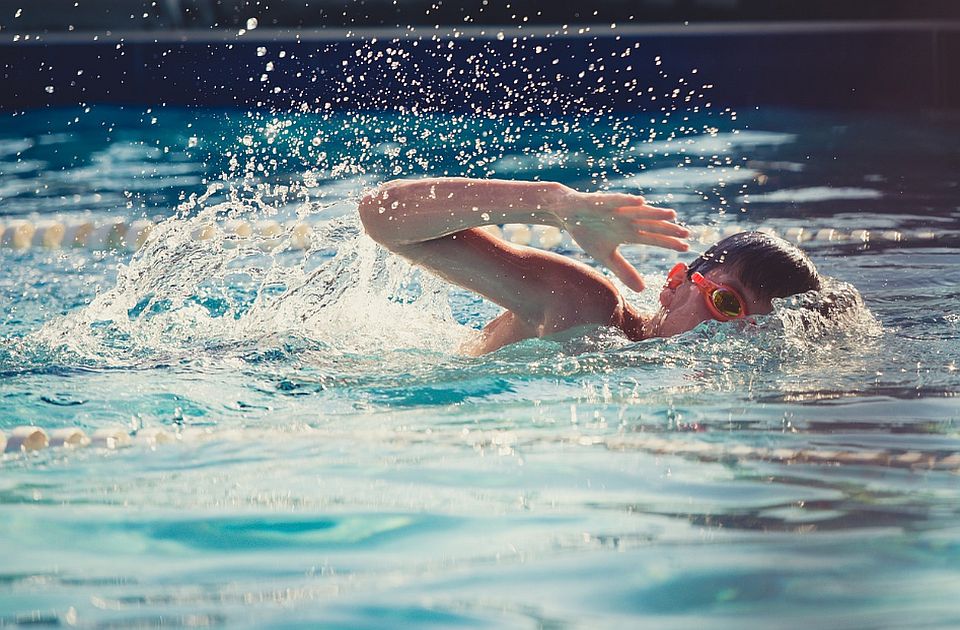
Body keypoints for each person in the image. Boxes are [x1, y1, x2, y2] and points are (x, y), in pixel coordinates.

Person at [358, 177, 821, 355]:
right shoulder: (587, 307)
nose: (726, 338)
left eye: (754, 332)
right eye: (725, 303)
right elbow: (382, 215)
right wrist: (551, 203)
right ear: (675, 283)